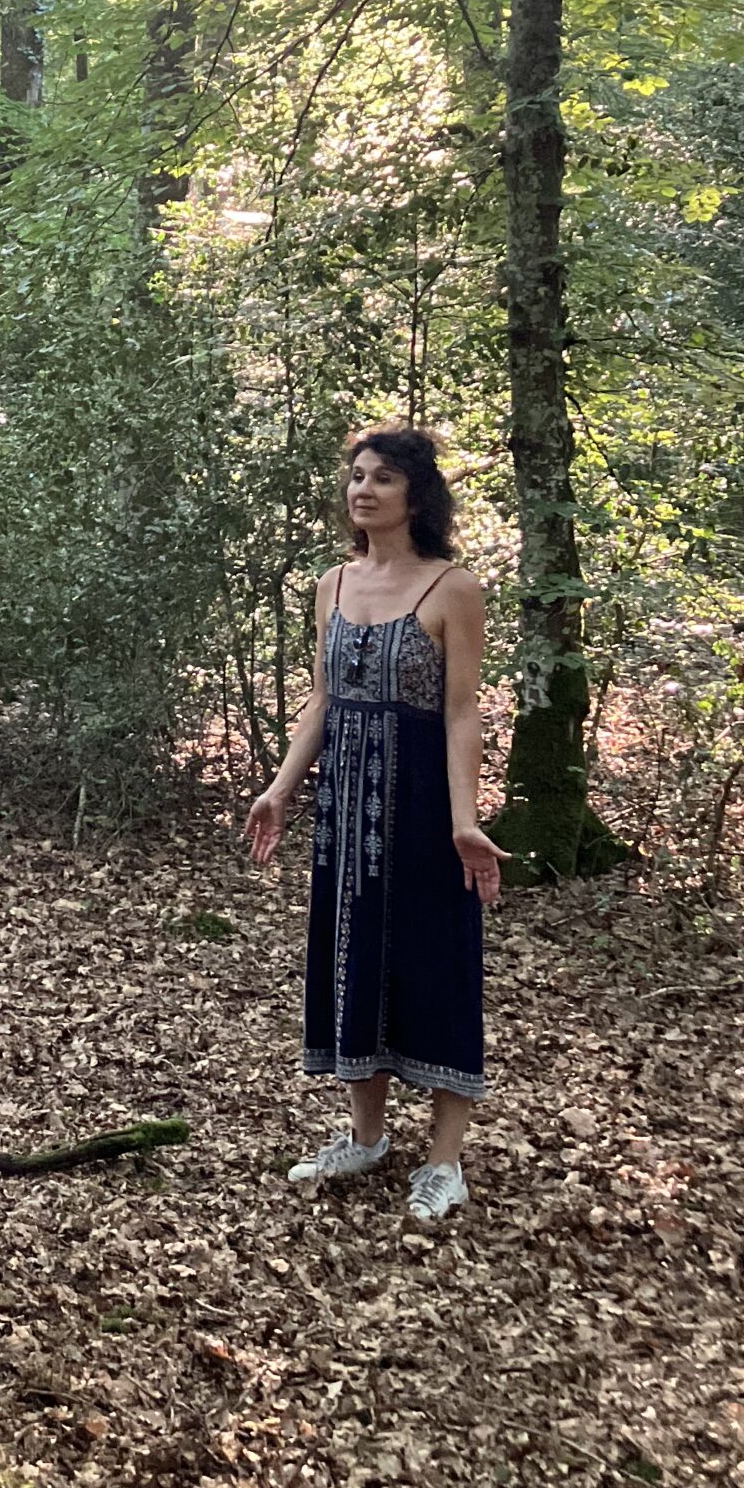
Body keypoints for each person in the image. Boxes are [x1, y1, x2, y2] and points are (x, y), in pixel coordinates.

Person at [244, 427, 508, 1226]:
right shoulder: (330, 584)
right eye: (356, 477)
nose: (363, 490)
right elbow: (322, 701)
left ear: (416, 495)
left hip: (424, 808)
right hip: (346, 813)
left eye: (383, 478)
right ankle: (366, 1136)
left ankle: (443, 1161)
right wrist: (282, 790)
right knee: (352, 953)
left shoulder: (452, 588)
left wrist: (467, 819)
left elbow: (462, 714)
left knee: (437, 963)